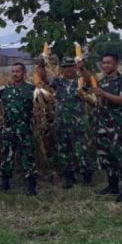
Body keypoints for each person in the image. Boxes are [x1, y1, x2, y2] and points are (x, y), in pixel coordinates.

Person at [39, 58, 93, 189]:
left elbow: (89, 80)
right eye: (65, 67)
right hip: (61, 123)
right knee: (64, 151)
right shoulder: (58, 82)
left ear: (75, 68)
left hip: (77, 123)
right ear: (62, 69)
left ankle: (87, 177)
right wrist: (41, 64)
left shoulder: (80, 82)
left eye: (71, 66)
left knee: (81, 151)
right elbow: (45, 79)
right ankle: (68, 177)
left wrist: (82, 68)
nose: (68, 69)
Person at [0, 63, 38, 195]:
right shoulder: (5, 89)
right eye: (13, 71)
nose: (15, 74)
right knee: (7, 156)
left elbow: (42, 101)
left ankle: (31, 185)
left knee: (28, 157)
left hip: (25, 129)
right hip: (9, 129)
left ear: (24, 72)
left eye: (18, 71)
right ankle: (5, 183)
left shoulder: (31, 89)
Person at [91, 52, 122, 202]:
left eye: (108, 63)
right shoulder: (102, 82)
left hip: (116, 128)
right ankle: (112, 185)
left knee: (121, 158)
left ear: (116, 64)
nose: (105, 65)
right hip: (101, 126)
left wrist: (103, 93)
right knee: (106, 157)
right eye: (103, 63)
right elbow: (99, 102)